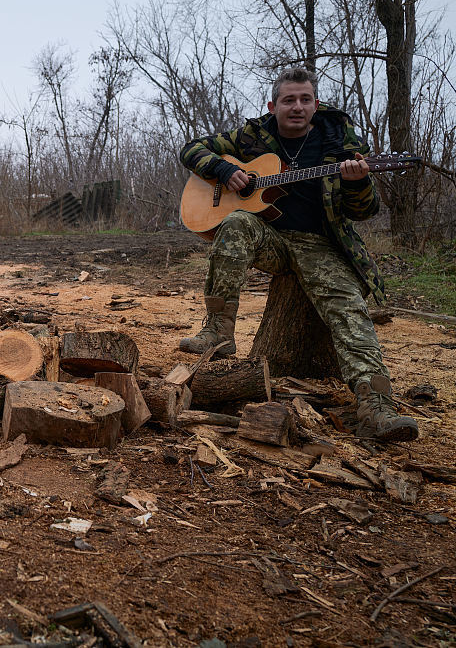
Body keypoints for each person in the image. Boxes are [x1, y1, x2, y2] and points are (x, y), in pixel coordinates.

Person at [178, 65, 418, 442]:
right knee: (237, 221)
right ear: (273, 105)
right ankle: (219, 332)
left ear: (316, 103)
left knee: (348, 308)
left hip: (319, 243)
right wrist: (224, 170)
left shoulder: (339, 138)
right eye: (288, 100)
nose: (297, 107)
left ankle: (376, 405)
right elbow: (191, 149)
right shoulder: (253, 135)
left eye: (305, 99)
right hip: (268, 236)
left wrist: (358, 182)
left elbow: (364, 211)